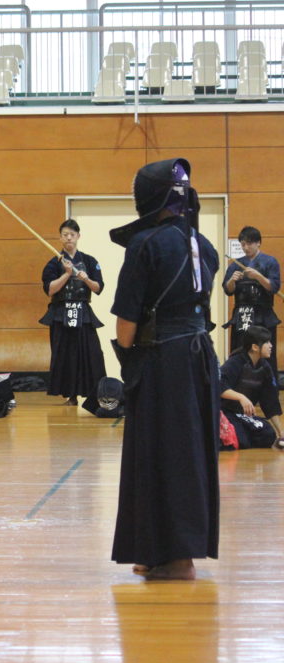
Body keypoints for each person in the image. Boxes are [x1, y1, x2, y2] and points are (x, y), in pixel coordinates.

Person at [109, 158, 220, 581]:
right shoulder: (203, 244)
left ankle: (176, 557)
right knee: (191, 453)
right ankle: (166, 552)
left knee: (162, 454)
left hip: (163, 362)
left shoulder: (145, 245)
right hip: (201, 358)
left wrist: (130, 361)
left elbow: (125, 328)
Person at [39, 218, 106, 406]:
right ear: (60, 238)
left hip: (83, 313)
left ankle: (98, 394)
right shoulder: (53, 263)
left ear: (78, 236)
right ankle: (71, 395)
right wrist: (67, 274)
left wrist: (86, 279)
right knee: (65, 354)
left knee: (92, 352)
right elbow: (50, 290)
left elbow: (98, 288)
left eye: (72, 234)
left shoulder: (90, 261)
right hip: (61, 313)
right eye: (65, 235)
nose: (69, 238)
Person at [222, 225, 281, 374]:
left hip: (263, 314)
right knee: (240, 351)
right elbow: (228, 290)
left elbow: (274, 287)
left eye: (249, 243)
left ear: (258, 242)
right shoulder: (235, 264)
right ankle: (238, 383)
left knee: (265, 353)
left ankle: (268, 384)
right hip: (242, 313)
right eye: (243, 244)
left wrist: (258, 276)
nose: (246, 247)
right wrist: (232, 281)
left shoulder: (270, 262)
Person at [219, 325, 284, 450]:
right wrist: (240, 397)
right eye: (267, 342)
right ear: (255, 347)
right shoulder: (235, 362)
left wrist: (281, 433)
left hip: (243, 416)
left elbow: (270, 402)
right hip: (225, 412)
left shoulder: (265, 367)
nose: (271, 345)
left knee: (268, 434)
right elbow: (218, 385)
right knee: (241, 438)